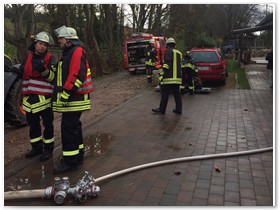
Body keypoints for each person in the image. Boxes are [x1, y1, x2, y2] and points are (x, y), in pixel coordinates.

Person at [51, 25, 93, 174]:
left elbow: (76, 76)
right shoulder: (71, 51)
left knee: (68, 129)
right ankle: (77, 157)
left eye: (61, 39)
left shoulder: (76, 51)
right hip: (75, 98)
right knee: (74, 127)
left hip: (74, 98)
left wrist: (65, 94)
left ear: (68, 39)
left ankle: (70, 163)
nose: (59, 41)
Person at [20, 31, 56, 162]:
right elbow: (24, 76)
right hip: (30, 99)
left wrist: (44, 70)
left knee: (48, 125)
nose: (43, 47)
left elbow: (54, 79)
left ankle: (48, 149)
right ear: (35, 44)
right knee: (33, 125)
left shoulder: (50, 59)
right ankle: (36, 148)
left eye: (45, 45)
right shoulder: (27, 58)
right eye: (41, 44)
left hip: (45, 100)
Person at [152, 37, 182, 115]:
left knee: (165, 94)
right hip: (177, 78)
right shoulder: (179, 53)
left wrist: (161, 73)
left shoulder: (168, 51)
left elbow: (167, 64)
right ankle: (179, 109)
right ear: (174, 44)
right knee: (177, 94)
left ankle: (162, 110)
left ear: (167, 44)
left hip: (169, 78)